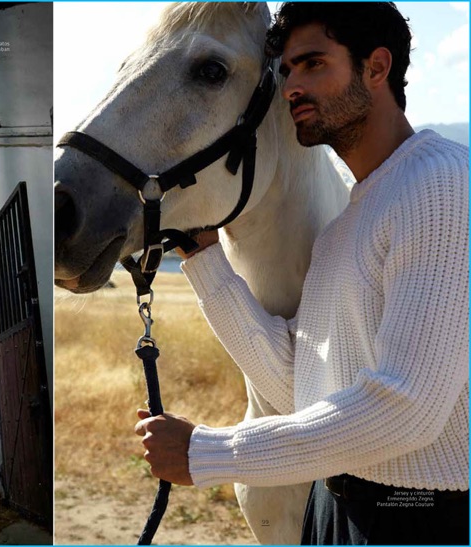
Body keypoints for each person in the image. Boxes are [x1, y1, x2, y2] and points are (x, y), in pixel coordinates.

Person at [134, 3, 469, 544]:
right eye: (287, 70)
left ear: (376, 68)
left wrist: (207, 454)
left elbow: (410, 407)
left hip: (419, 517)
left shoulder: (440, 183)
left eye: (313, 63)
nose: (291, 86)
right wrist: (204, 259)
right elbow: (303, 390)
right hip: (334, 509)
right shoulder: (345, 226)